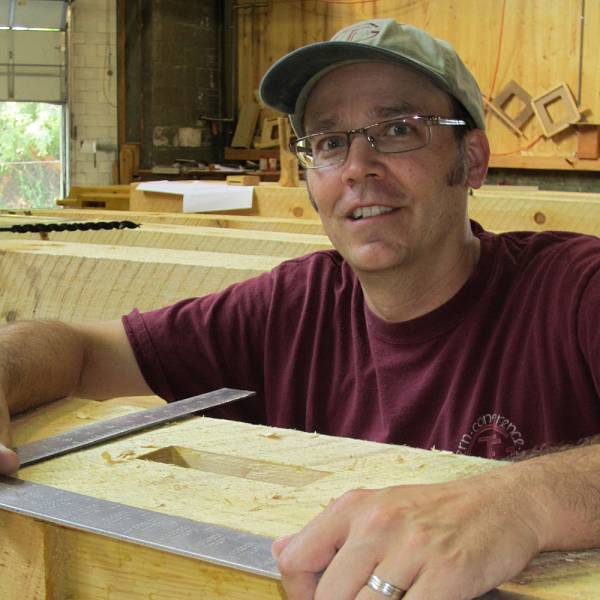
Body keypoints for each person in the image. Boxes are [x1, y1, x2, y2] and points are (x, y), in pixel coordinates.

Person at [1, 17, 599, 600]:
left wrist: (518, 502)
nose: (358, 167)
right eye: (330, 143)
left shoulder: (573, 290)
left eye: (397, 129)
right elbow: (79, 350)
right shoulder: (292, 307)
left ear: (471, 160)